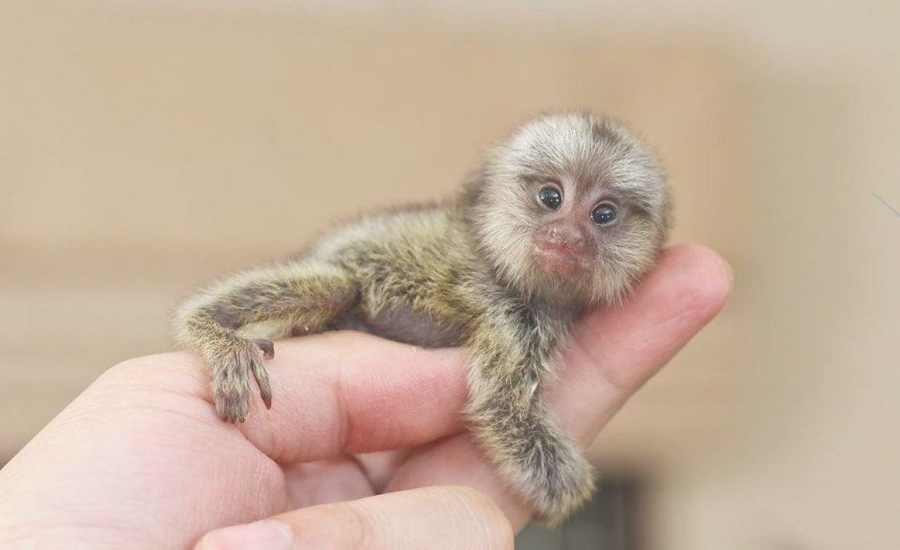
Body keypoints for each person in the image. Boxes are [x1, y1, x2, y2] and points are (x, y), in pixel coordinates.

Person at [0, 245, 731, 549]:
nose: (567, 234)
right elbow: (503, 405)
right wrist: (561, 483)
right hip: (353, 297)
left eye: (605, 218)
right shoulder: (509, 296)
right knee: (327, 286)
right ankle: (213, 331)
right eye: (548, 199)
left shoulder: (548, 309)